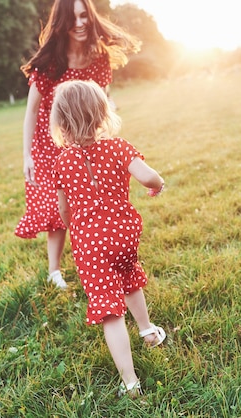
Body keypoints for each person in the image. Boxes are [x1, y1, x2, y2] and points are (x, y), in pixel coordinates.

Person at [50, 79, 166, 397]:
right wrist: (158, 184)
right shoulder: (119, 147)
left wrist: (75, 223)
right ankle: (148, 332)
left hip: (91, 245)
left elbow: (63, 213)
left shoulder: (62, 163)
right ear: (103, 113)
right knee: (131, 278)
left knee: (109, 311)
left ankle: (130, 382)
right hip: (125, 235)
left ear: (62, 122)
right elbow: (147, 176)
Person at [15, 0, 140, 289]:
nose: (80, 23)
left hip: (87, 144)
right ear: (61, 23)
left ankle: (106, 254)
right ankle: (54, 270)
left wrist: (106, 144)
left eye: (84, 15)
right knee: (55, 209)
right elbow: (31, 111)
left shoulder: (99, 59)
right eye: (73, 18)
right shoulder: (50, 64)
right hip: (49, 145)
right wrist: (27, 156)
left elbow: (103, 105)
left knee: (96, 203)